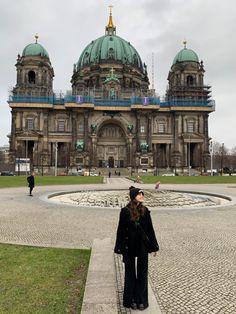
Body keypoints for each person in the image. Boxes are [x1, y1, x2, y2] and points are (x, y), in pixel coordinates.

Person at [114, 186, 159, 310]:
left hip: (142, 246)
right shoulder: (125, 211)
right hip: (129, 247)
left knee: (142, 273)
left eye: (142, 194)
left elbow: (150, 230)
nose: (142, 196)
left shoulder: (145, 210)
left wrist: (154, 246)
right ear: (134, 196)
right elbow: (121, 231)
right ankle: (131, 299)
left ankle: (141, 300)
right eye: (139, 194)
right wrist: (119, 248)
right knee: (130, 274)